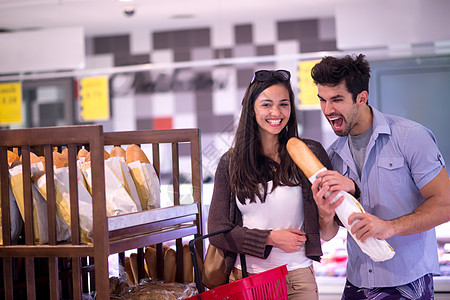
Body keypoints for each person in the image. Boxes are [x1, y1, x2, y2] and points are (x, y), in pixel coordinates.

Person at [207, 69, 357, 299]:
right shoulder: (231, 162)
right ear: (252, 108)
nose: (276, 112)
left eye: (283, 104)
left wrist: (326, 216)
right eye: (266, 104)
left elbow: (328, 234)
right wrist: (269, 238)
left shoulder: (310, 153)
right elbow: (217, 231)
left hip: (298, 279)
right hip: (248, 279)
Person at [311, 53, 450, 299]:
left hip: (409, 282)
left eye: (337, 99)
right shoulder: (332, 155)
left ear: (361, 98)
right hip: (357, 283)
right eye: (322, 100)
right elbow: (328, 233)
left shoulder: (411, 137)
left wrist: (388, 228)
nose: (327, 109)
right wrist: (324, 213)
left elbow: (445, 205)